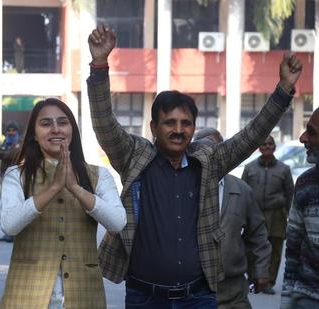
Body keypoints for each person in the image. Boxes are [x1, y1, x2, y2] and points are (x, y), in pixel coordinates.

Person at [87, 25, 302, 308]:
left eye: (185, 123)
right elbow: (104, 123)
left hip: (198, 296)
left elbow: (252, 135)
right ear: (154, 127)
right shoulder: (134, 157)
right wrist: (100, 65)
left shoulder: (209, 161)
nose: (178, 130)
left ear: (194, 128)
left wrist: (284, 89)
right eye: (170, 123)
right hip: (145, 297)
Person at [0, 98, 126, 308]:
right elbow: (9, 225)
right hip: (27, 293)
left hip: (83, 294)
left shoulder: (98, 175)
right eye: (46, 124)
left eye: (62, 122)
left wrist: (76, 189)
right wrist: (53, 188)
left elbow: (117, 222)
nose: (55, 129)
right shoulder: (17, 174)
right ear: (34, 135)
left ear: (72, 130)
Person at [194, 128, 271, 309]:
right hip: (193, 290)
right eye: (205, 149)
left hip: (233, 291)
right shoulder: (183, 187)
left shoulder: (241, 190)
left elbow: (258, 233)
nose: (212, 154)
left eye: (217, 148)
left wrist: (260, 270)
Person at [281, 102, 319, 309]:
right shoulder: (305, 183)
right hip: (307, 301)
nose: (303, 138)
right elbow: (292, 250)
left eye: (312, 132)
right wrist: (287, 302)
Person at [241, 135, 294, 295]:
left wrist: (290, 216)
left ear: (275, 147)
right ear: (259, 147)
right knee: (252, 248)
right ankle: (252, 279)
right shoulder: (249, 168)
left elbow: (290, 193)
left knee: (274, 249)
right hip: (254, 214)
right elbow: (243, 192)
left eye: (270, 144)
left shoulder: (284, 169)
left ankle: (268, 282)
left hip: (276, 215)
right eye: (264, 144)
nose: (267, 147)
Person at [0, 121, 22, 243]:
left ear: (17, 132)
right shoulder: (6, 142)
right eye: (9, 131)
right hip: (4, 176)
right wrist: (7, 152)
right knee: (4, 204)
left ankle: (14, 233)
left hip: (16, 177)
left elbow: (14, 155)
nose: (11, 133)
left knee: (15, 205)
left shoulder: (20, 143)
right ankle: (7, 233)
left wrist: (6, 152)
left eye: (13, 131)